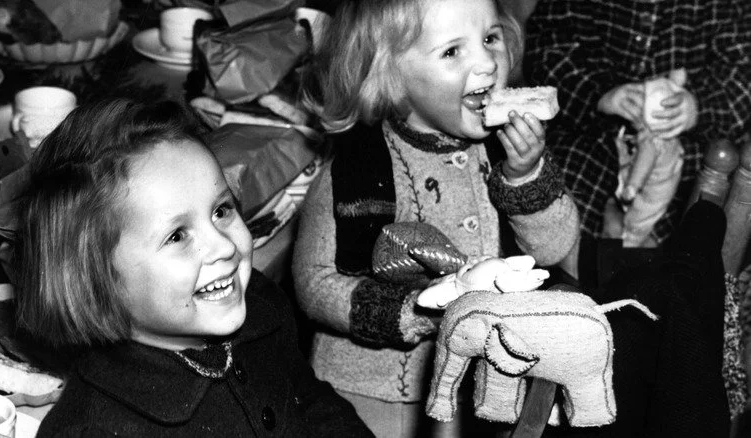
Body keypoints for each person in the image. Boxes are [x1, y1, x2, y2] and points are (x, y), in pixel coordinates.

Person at [293, 0, 580, 436]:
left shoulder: (505, 151)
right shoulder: (355, 171)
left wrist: (527, 178)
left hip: (484, 386)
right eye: (452, 51)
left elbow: (555, 248)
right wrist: (418, 308)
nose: (486, 62)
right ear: (388, 75)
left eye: (490, 38)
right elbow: (314, 285)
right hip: (375, 395)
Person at [14, 98, 373, 437]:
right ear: (95, 282)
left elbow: (307, 398)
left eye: (221, 211)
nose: (225, 245)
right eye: (176, 236)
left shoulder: (262, 307)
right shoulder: (96, 428)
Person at [523, 0, 751, 254]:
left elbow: (741, 77)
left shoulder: (727, 7)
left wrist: (698, 106)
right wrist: (600, 95)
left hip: (687, 152)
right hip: (594, 133)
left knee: (695, 229)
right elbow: (548, 53)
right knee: (560, 197)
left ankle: (643, 262)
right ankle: (586, 270)